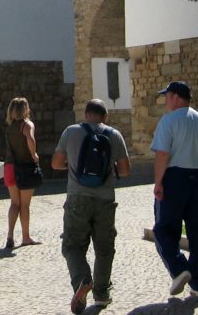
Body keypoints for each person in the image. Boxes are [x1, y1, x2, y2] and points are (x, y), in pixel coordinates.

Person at [52, 99, 131, 314]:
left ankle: (82, 280)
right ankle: (102, 295)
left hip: (77, 198)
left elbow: (56, 164)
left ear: (86, 114)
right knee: (104, 249)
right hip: (105, 200)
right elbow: (124, 171)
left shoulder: (71, 131)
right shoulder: (114, 135)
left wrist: (74, 166)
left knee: (72, 246)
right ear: (105, 116)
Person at [151, 80, 198, 299]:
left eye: (167, 96)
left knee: (164, 228)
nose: (165, 100)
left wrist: (158, 182)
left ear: (174, 96)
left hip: (175, 178)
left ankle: (178, 267)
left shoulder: (168, 121)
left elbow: (162, 154)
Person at [2, 97, 42, 248]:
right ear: (25, 109)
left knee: (14, 204)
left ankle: (10, 236)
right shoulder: (26, 124)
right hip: (24, 168)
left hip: (9, 168)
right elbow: (30, 140)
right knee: (24, 205)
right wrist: (34, 155)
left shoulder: (10, 127)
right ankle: (26, 237)